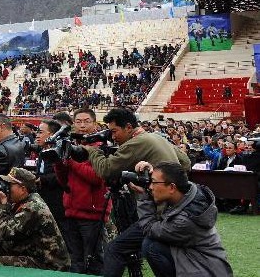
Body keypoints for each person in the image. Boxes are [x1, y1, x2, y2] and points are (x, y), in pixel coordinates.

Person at [73, 107, 191, 277]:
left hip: (160, 213)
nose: (113, 137)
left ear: (128, 127)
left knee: (116, 249)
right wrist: (153, 177)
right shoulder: (156, 137)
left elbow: (106, 170)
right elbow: (185, 163)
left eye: (115, 131)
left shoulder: (136, 142)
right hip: (176, 210)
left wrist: (91, 151)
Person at [132, 161, 233, 277]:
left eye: (153, 182)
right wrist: (150, 171)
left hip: (207, 271)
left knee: (150, 246)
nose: (150, 187)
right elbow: (172, 178)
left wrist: (143, 197)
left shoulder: (184, 221)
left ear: (171, 187)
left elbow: (149, 228)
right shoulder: (190, 192)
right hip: (211, 266)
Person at [55, 108, 111, 274]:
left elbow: (96, 177)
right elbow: (63, 181)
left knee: (94, 260)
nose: (82, 125)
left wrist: (71, 160)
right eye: (78, 121)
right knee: (76, 260)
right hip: (72, 211)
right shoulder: (72, 144)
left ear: (95, 124)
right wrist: (59, 162)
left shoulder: (101, 147)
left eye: (86, 121)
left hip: (92, 213)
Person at [0, 167, 70, 271]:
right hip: (34, 252)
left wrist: (2, 205)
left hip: (50, 264)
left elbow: (5, 233)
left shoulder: (33, 207)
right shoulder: (21, 201)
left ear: (23, 189)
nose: (7, 188)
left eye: (10, 185)